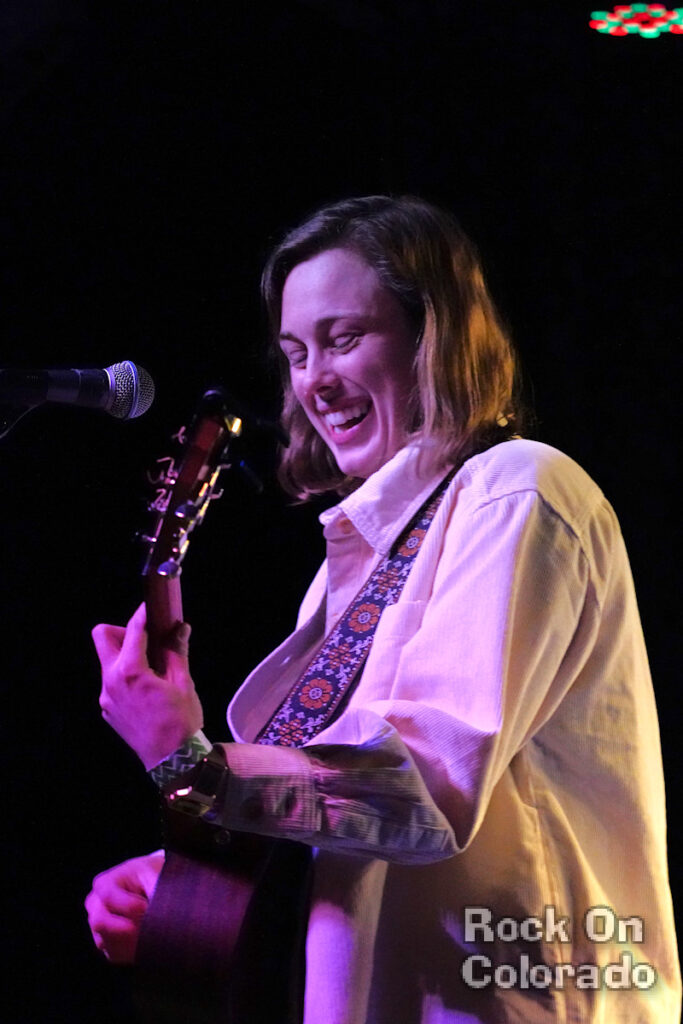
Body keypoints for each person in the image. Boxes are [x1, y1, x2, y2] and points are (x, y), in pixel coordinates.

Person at [86, 195, 680, 1023]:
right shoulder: (361, 556)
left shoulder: (516, 490)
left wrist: (192, 765)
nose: (313, 381)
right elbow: (347, 814)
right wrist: (195, 882)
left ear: (432, 337)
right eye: (296, 352)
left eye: (343, 338)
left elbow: (427, 787)